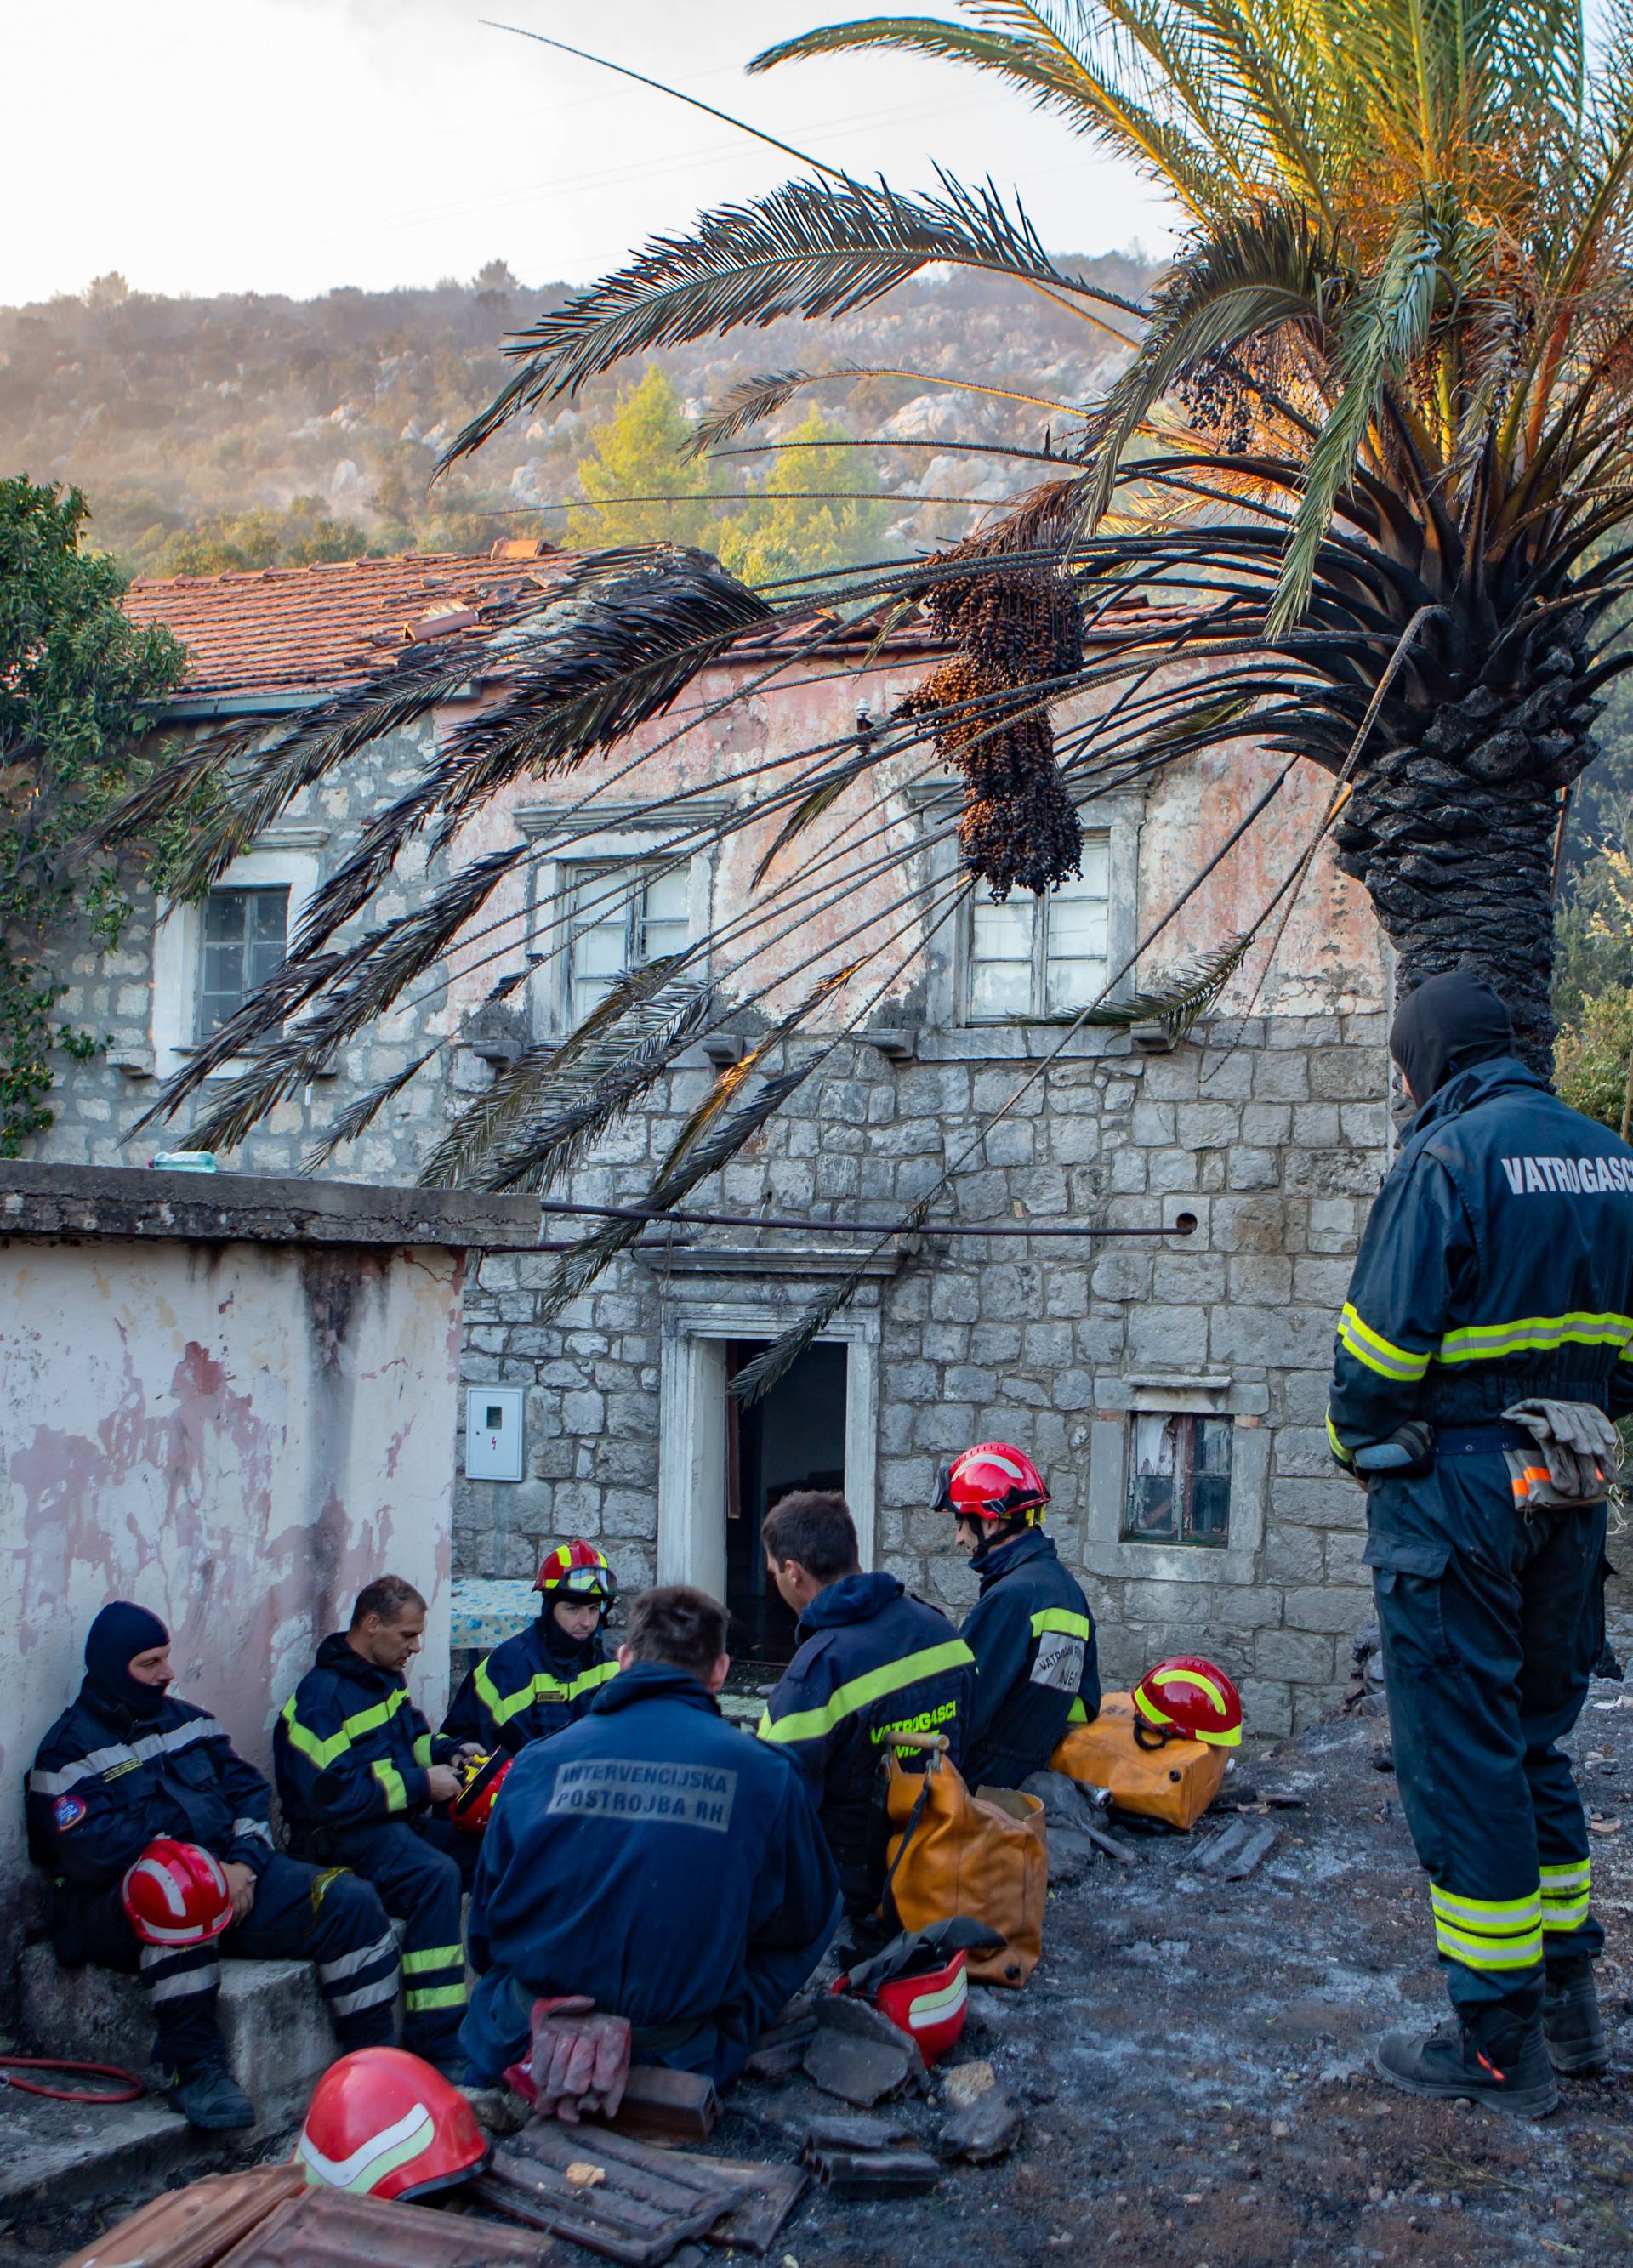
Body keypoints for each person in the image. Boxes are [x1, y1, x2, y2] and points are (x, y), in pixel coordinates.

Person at [1329, 969, 1633, 2117]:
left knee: (1461, 1762)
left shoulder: (1443, 1160)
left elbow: (1373, 1365)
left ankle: (1500, 2044)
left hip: (1456, 1491)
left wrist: (1371, 1448)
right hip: (1572, 1478)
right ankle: (1572, 2012)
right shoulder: (1610, 1156)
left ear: (1429, 1060)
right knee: (1535, 1744)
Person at [26, 1602, 399, 2131]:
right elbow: (92, 1853)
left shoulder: (189, 1722)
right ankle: (195, 2070)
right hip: (124, 1913)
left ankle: (374, 2069)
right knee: (177, 1887)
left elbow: (249, 1794)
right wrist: (206, 1870)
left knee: (349, 1901)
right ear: (113, 1668)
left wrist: (242, 1866)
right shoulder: (67, 1753)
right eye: (149, 1663)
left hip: (230, 1883)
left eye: (166, 1658)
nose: (167, 1673)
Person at [460, 1583, 839, 2089]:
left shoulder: (536, 1763)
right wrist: (737, 2008)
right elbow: (807, 1918)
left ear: (623, 1659)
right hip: (678, 2055)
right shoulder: (766, 1775)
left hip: (520, 2038)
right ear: (721, 1671)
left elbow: (483, 1934)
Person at [276, 1575, 475, 2079]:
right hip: (339, 1840)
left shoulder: (383, 1679)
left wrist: (452, 1751)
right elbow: (332, 1796)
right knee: (436, 1875)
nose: (416, 1647)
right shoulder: (322, 1699)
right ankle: (438, 2042)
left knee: (483, 1848)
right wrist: (418, 1786)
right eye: (408, 1636)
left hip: (389, 1826)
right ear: (371, 1626)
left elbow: (412, 1739)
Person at [757, 1491, 975, 1919]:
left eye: (773, 1574)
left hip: (853, 1896)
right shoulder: (941, 1630)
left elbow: (772, 1810)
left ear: (792, 1572)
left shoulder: (815, 1674)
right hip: (941, 1869)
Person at [935, 1440, 1101, 1786]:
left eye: (961, 1522)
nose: (958, 1539)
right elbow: (1084, 1706)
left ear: (991, 1523)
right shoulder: (1067, 1590)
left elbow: (960, 1711)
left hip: (981, 1783)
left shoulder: (1011, 1598)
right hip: (1034, 1775)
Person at [444, 1541, 618, 1757]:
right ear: (548, 1608)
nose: (587, 1622)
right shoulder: (513, 1668)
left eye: (593, 1609)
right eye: (573, 1609)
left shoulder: (607, 1667)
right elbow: (527, 1763)